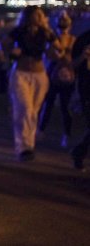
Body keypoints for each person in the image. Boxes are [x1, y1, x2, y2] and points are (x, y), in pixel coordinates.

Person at [8, 6, 58, 161]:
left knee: (33, 112)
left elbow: (57, 49)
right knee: (24, 109)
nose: (37, 17)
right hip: (21, 74)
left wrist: (54, 48)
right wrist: (12, 52)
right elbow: (3, 45)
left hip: (39, 76)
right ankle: (23, 147)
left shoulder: (46, 33)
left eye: (40, 15)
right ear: (28, 16)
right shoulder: (19, 31)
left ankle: (29, 145)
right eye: (35, 15)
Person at [37, 11, 76, 147]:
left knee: (60, 106)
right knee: (52, 105)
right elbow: (48, 55)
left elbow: (49, 56)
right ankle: (44, 131)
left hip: (63, 76)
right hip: (56, 76)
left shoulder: (70, 40)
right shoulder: (61, 40)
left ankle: (61, 134)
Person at [70, 29, 90, 171]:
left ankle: (79, 151)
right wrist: (83, 56)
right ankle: (79, 151)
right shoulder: (83, 39)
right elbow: (72, 65)